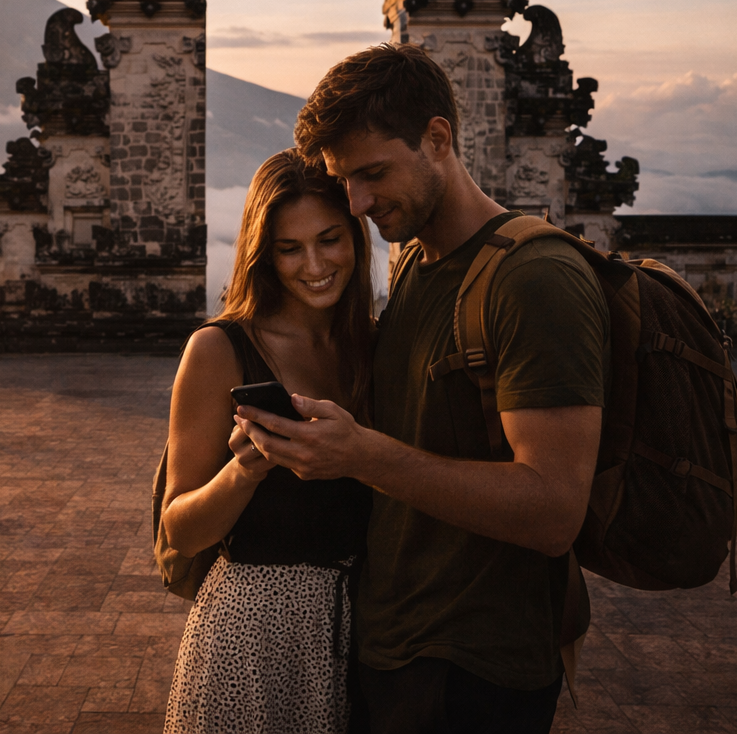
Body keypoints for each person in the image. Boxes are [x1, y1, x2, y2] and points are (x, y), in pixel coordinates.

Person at [238, 44, 606, 734]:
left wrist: (361, 455)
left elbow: (555, 510)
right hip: (393, 648)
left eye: (373, 174)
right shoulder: (414, 265)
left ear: (438, 138)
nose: (357, 203)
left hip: (474, 668)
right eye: (344, 180)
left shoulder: (534, 279)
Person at [162, 150, 375, 734]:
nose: (315, 264)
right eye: (289, 248)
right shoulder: (218, 350)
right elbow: (179, 529)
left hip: (367, 632)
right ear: (263, 253)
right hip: (252, 634)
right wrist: (246, 469)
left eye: (330, 239)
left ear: (356, 235)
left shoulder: (373, 345)